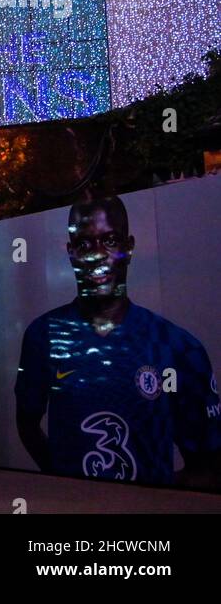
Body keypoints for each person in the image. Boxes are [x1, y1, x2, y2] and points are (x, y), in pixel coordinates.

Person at [15, 195, 221, 488]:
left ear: (129, 247)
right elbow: (27, 423)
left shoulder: (177, 346)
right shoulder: (44, 335)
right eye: (85, 244)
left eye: (110, 241)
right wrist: (61, 479)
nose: (98, 254)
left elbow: (208, 465)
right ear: (71, 253)